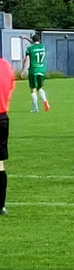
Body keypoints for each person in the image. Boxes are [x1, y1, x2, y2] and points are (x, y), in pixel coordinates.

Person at [0, 56, 14, 216]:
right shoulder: (6, 66)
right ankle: (1, 205)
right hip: (3, 118)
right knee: (0, 164)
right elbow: (9, 88)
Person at [21, 34, 49, 112]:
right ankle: (45, 100)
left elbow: (26, 60)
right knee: (39, 88)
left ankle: (35, 108)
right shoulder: (43, 47)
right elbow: (35, 42)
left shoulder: (29, 49)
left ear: (32, 40)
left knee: (33, 89)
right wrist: (26, 38)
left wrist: (23, 70)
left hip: (33, 70)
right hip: (42, 70)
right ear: (39, 40)